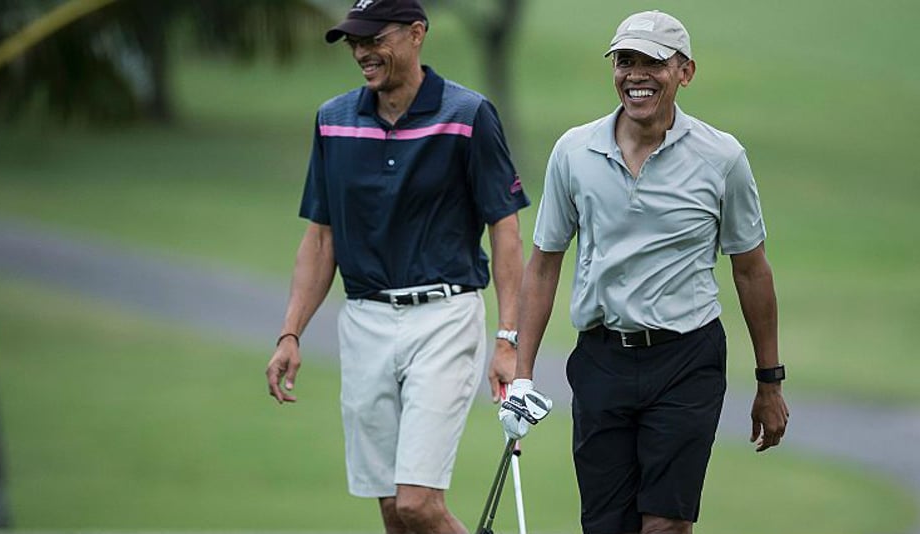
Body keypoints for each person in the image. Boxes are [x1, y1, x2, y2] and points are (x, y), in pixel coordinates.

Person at [499, 10, 790, 534]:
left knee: (664, 526)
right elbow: (544, 266)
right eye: (625, 61)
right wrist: (523, 374)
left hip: (687, 360)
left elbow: (752, 271)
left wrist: (769, 382)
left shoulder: (722, 158)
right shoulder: (574, 152)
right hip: (601, 359)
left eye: (653, 63)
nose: (636, 75)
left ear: (685, 72)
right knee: (606, 527)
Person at [264, 0, 529, 532]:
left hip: (444, 317)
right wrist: (290, 332)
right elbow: (320, 240)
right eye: (354, 42)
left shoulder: (468, 115)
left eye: (372, 38)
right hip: (364, 322)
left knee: (417, 504)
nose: (362, 52)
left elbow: (506, 230)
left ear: (416, 34)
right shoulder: (334, 121)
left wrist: (507, 338)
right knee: (391, 510)